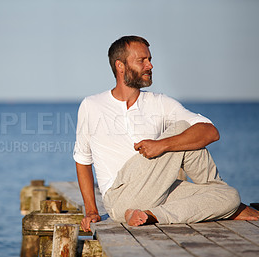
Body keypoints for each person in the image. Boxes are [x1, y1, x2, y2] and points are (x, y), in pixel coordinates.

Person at [73, 35, 259, 231]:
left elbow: (210, 132)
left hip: (158, 192)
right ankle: (228, 209)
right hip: (120, 197)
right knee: (182, 129)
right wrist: (92, 211)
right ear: (120, 66)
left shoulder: (160, 103)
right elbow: (83, 159)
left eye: (150, 59)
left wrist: (162, 145)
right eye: (142, 60)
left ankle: (152, 215)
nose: (150, 66)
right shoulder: (92, 106)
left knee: (229, 196)